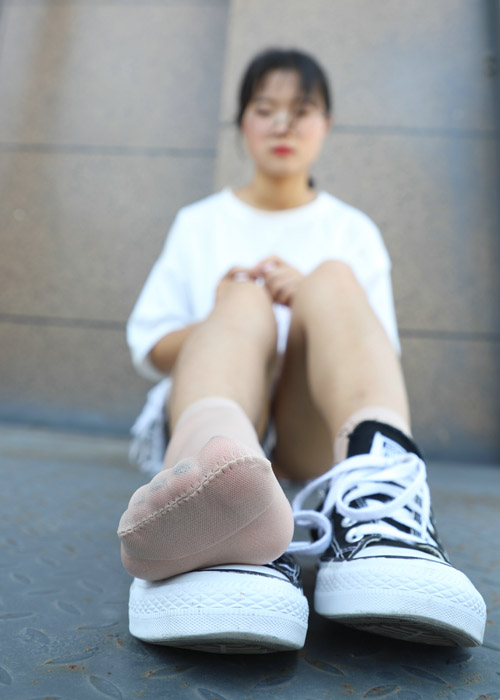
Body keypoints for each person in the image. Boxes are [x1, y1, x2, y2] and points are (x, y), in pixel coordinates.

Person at [117, 48, 486, 654]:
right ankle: (217, 489)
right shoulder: (200, 223)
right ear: (242, 122)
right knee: (242, 302)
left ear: (326, 124)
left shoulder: (351, 230)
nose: (282, 125)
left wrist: (308, 293)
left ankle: (380, 511)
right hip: (223, 404)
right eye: (265, 109)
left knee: (333, 278)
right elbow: (151, 344)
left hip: (310, 437)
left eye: (301, 110)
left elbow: (374, 358)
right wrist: (223, 316)